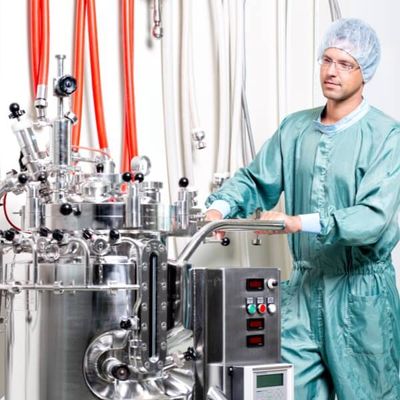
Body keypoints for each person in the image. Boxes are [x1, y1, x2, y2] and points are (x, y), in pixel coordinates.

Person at [205, 18, 400, 399]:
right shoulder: (295, 129)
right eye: (327, 60)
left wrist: (298, 222)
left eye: (345, 64)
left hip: (360, 296)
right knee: (289, 390)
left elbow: (372, 218)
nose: (331, 71)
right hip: (303, 292)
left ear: (365, 72)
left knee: (369, 393)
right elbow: (256, 179)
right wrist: (220, 208)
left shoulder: (386, 137)